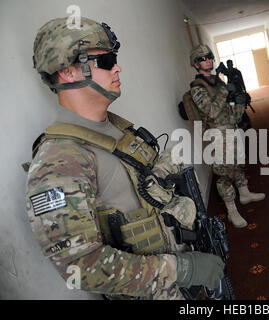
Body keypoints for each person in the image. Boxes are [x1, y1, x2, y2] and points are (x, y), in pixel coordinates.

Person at [25, 17, 225, 300]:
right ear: (69, 71)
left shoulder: (118, 126)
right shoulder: (59, 161)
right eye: (105, 60)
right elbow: (80, 267)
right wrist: (181, 269)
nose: (117, 67)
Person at [189, 45, 265, 228]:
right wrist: (226, 91)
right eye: (202, 58)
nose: (207, 60)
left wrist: (239, 103)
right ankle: (232, 211)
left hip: (232, 128)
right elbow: (212, 112)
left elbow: (232, 113)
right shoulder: (197, 89)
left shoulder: (218, 82)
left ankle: (244, 193)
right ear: (195, 64)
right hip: (217, 135)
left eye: (209, 56)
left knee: (239, 164)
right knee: (223, 174)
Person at [224, 59, 252, 130]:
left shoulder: (237, 72)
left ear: (232, 64)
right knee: (235, 110)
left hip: (239, 93)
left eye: (230, 64)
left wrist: (244, 91)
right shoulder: (228, 72)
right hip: (232, 95)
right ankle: (241, 125)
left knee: (241, 109)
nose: (229, 66)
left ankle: (247, 123)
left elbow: (242, 81)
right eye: (228, 65)